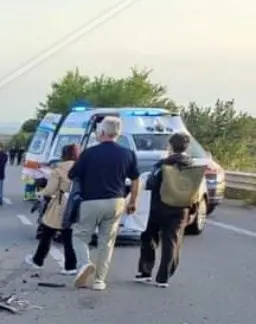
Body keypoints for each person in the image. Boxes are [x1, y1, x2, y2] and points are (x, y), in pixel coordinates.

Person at [67, 116, 140, 290]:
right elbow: (136, 180)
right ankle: (100, 280)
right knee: (106, 242)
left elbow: (72, 174)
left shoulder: (89, 153)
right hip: (116, 201)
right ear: (118, 133)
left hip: (90, 201)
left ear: (101, 132)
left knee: (79, 235)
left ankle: (84, 264)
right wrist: (133, 202)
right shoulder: (128, 154)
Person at [136, 132, 205, 288]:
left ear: (171, 146)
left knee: (149, 238)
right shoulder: (193, 167)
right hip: (181, 209)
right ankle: (163, 277)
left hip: (158, 207)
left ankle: (145, 272)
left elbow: (152, 183)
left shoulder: (163, 164)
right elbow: (196, 190)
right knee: (172, 242)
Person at [26, 143, 78, 274]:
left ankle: (38, 260)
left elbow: (50, 190)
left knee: (48, 232)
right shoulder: (81, 167)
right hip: (75, 203)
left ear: (63, 155)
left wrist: (40, 193)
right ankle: (71, 266)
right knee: (68, 235)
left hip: (60, 203)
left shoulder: (58, 170)